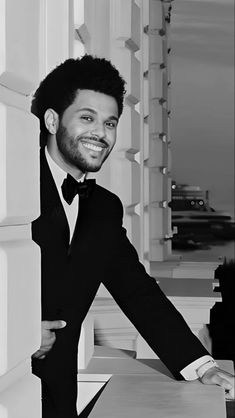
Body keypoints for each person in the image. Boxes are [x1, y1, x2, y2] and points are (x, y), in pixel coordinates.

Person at [31, 55, 234, 418]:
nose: (101, 134)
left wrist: (201, 366)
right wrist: (12, 332)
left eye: (109, 123)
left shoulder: (104, 208)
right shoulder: (8, 186)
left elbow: (137, 290)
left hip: (55, 397)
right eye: (87, 118)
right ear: (51, 120)